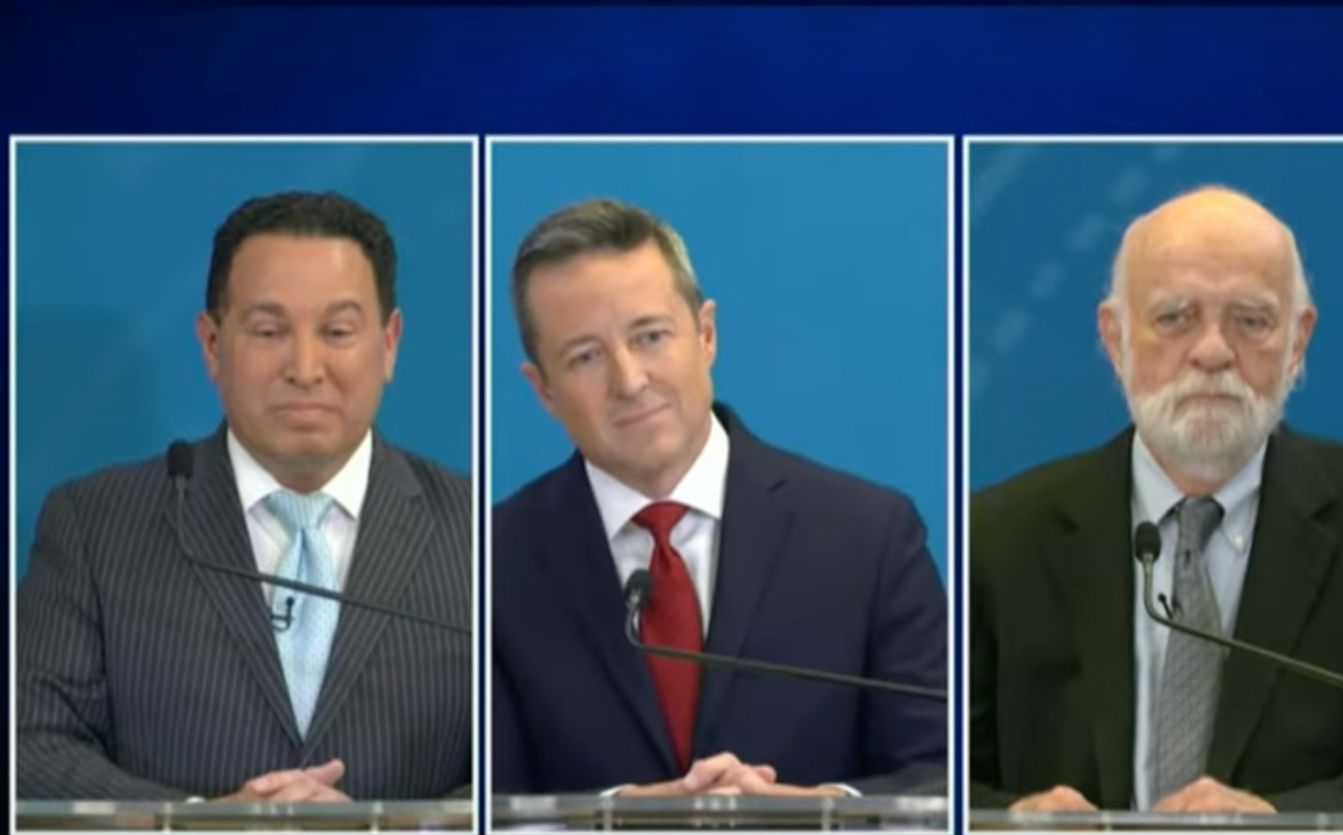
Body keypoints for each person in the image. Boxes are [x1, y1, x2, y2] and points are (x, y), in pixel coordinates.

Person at [969, 186, 1343, 815]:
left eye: (1251, 321)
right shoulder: (999, 537)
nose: (1213, 351)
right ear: (1115, 338)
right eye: (1174, 318)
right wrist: (1009, 823)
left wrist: (1278, 823)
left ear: (1297, 342)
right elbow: (946, 775)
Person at [17, 191, 473, 802]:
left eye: (338, 331)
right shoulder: (94, 526)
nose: (305, 368)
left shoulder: (480, 535)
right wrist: (203, 828)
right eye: (268, 331)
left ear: (389, 344)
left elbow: (527, 759)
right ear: (212, 344)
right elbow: (31, 744)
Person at [491, 198, 947, 797]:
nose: (630, 381)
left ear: (706, 335)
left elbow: (941, 772)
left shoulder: (868, 536)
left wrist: (820, 814)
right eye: (586, 357)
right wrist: (612, 815)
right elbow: (476, 798)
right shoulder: (491, 561)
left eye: (650, 336)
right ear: (544, 390)